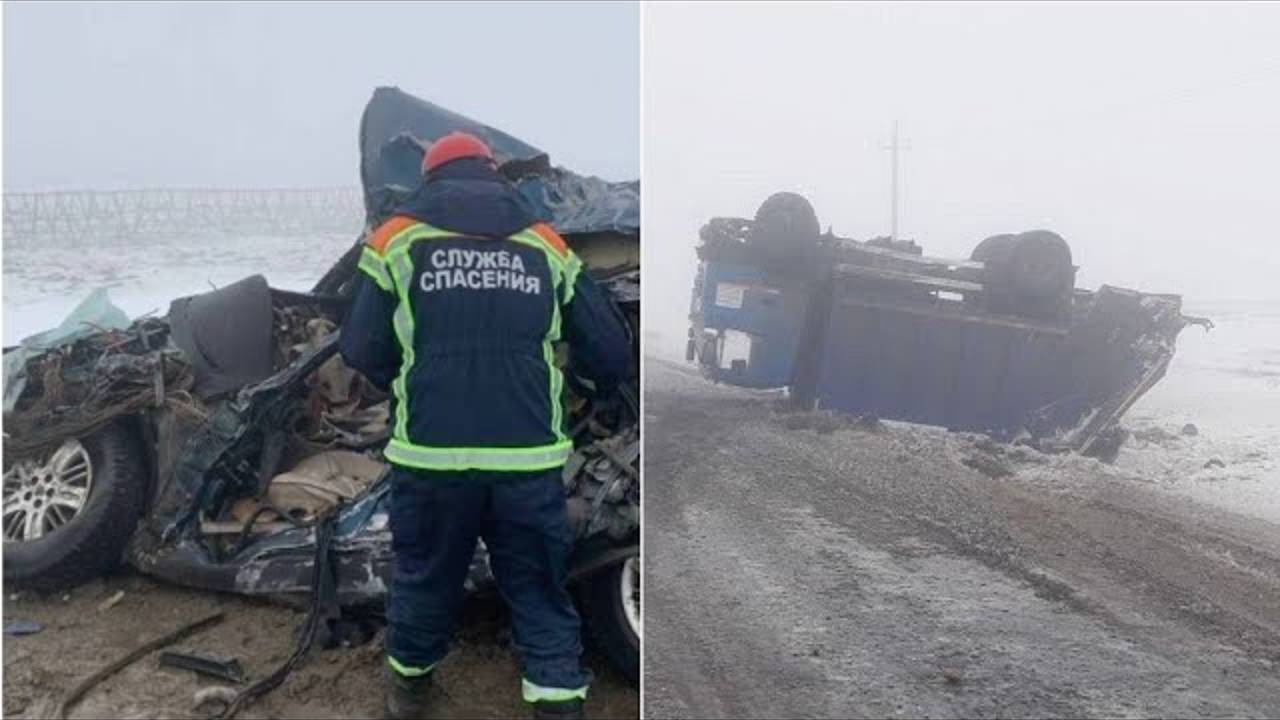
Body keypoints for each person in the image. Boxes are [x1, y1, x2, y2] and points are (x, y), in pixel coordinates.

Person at [339, 131, 631, 720]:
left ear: (430, 178)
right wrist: (583, 383)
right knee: (538, 588)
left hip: (431, 459)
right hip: (527, 462)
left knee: (424, 580)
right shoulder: (546, 243)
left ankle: (409, 693)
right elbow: (609, 351)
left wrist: (412, 378)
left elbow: (361, 349)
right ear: (493, 173)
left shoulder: (395, 238)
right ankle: (558, 705)